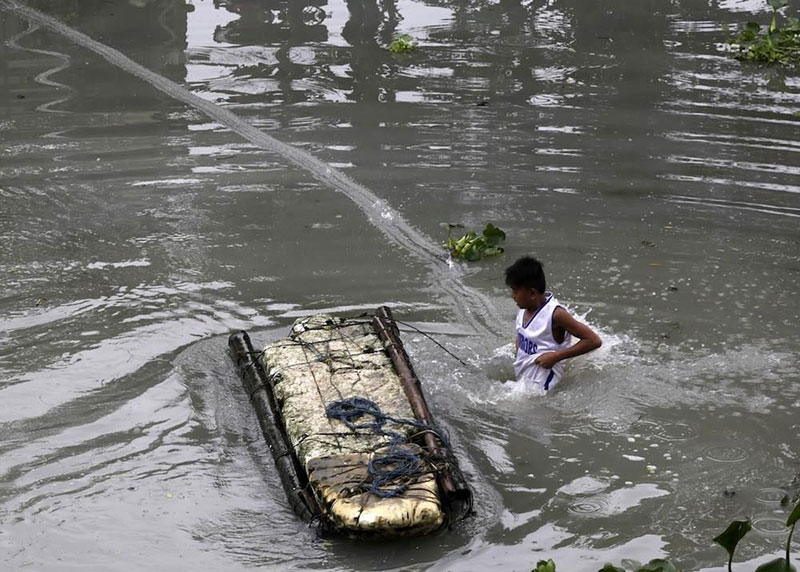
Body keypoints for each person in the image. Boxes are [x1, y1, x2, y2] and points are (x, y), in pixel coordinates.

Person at [505, 256, 602, 391]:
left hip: (544, 384)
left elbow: (594, 341)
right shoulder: (523, 308)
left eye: (515, 291)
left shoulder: (556, 314)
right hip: (524, 376)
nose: (512, 295)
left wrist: (556, 356)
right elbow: (520, 335)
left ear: (532, 293)